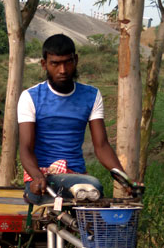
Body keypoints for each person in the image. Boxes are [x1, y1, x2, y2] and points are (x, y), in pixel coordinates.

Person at [18, 34, 125, 204]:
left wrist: (124, 178)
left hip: (77, 177)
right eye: (55, 63)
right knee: (93, 185)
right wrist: (37, 176)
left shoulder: (92, 96)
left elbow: (102, 145)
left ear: (75, 60)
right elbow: (25, 147)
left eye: (67, 62)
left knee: (92, 191)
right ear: (44, 64)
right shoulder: (30, 97)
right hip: (41, 178)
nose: (62, 70)